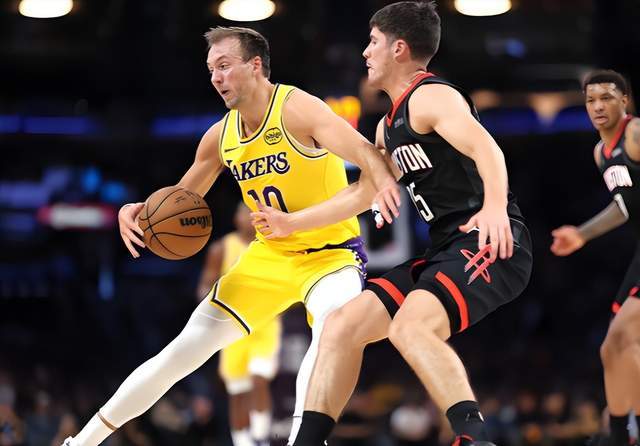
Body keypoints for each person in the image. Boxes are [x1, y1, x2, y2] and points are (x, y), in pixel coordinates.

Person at [61, 26, 399, 446]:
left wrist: (377, 187)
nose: (216, 78)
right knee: (181, 352)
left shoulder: (297, 108)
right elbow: (181, 199)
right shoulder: (221, 136)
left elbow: (367, 155)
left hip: (331, 254)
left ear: (255, 65)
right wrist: (139, 212)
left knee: (331, 337)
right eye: (210, 70)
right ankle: (82, 442)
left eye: (224, 66)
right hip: (270, 257)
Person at [251, 2, 533, 445]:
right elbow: (363, 193)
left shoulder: (431, 96)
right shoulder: (388, 127)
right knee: (342, 326)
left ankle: (475, 438)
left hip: (489, 238)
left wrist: (495, 207)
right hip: (445, 249)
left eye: (373, 42)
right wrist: (292, 222)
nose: (365, 52)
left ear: (399, 48)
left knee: (409, 327)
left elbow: (488, 150)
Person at [551, 69, 640, 446]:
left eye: (607, 98)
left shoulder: (635, 134)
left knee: (621, 339)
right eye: (591, 100)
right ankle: (618, 434)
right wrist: (581, 234)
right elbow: (623, 207)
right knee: (612, 349)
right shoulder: (601, 153)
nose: (598, 106)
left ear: (625, 101)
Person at [197, 202, 281, 446]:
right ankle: (243, 442)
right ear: (236, 218)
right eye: (244, 211)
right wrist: (211, 297)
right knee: (238, 393)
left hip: (265, 324)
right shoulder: (221, 248)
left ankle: (262, 437)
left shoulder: (275, 245)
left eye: (254, 212)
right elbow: (204, 285)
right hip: (232, 326)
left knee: (259, 378)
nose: (249, 216)